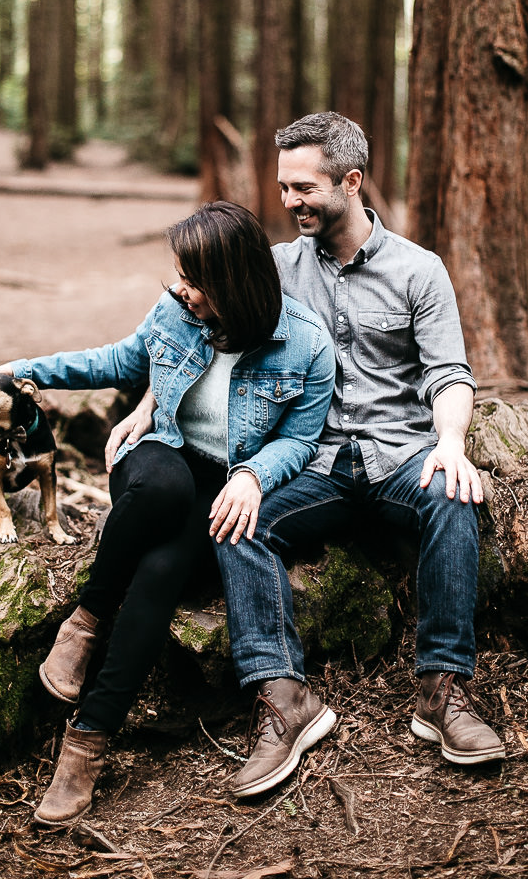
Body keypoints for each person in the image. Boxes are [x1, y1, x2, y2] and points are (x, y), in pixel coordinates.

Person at [110, 113, 505, 799]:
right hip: (310, 463)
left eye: (303, 187)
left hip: (399, 457)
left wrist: (450, 444)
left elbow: (448, 374)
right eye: (283, 187)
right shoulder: (274, 269)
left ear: (351, 182)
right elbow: (196, 330)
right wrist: (150, 402)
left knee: (453, 495)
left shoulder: (420, 271)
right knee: (236, 518)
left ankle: (442, 691)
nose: (289, 201)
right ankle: (285, 699)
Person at [0, 201, 335, 826]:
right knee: (166, 492)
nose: (180, 288)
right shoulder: (175, 311)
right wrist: (23, 370)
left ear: (232, 283)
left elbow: (301, 439)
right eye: (180, 275)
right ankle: (86, 621)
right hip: (159, 457)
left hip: (221, 482)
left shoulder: (305, 343)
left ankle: (87, 742)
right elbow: (117, 361)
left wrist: (253, 475)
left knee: (162, 571)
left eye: (193, 280)